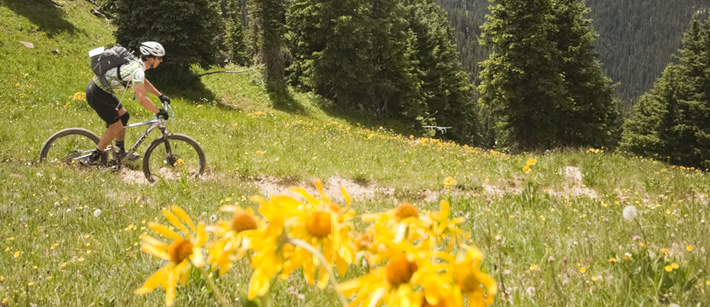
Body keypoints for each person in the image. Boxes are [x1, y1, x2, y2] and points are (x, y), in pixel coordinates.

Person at [85, 41, 171, 164]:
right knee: (116, 126)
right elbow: (142, 98)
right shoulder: (138, 70)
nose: (161, 61)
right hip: (97, 93)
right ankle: (92, 158)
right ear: (150, 58)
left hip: (103, 92)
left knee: (124, 116)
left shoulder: (138, 65)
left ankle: (119, 152)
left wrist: (160, 96)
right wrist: (158, 111)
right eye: (159, 58)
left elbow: (144, 82)